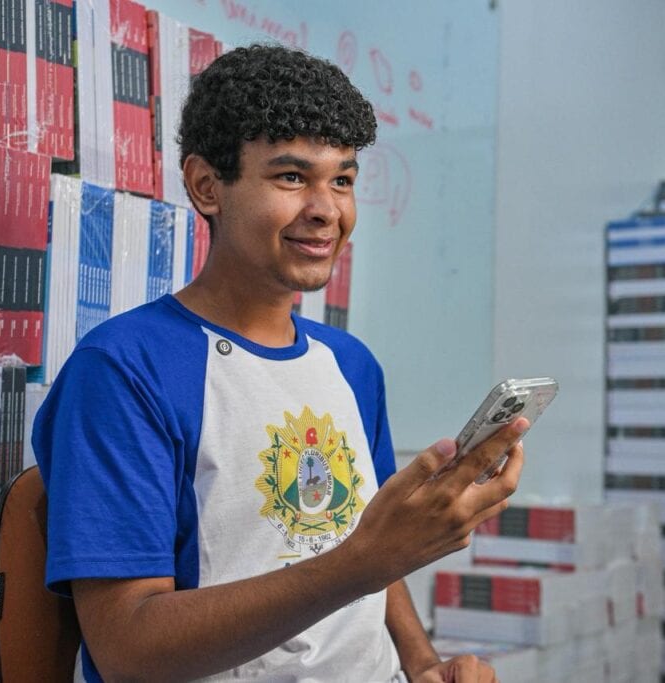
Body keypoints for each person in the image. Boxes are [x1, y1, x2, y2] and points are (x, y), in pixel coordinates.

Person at [33, 44, 526, 682]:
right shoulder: (126, 368)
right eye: (292, 177)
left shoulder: (351, 365)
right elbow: (128, 650)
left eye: (342, 180)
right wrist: (362, 563)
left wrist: (422, 662)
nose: (327, 209)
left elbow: (368, 543)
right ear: (208, 186)